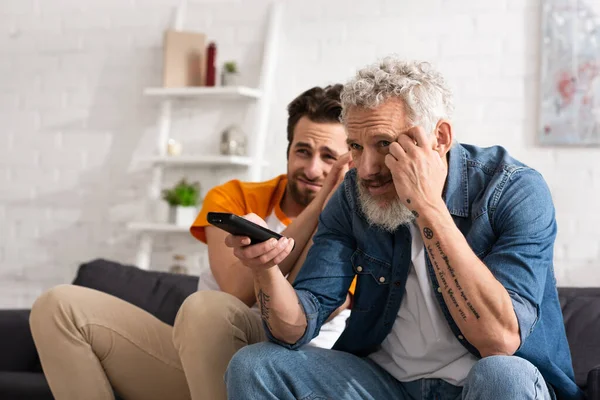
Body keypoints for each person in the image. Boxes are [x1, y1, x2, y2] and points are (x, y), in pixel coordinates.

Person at [224, 58, 584, 400]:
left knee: (503, 374)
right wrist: (265, 269)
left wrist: (428, 206)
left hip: (485, 386)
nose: (365, 168)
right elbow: (296, 326)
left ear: (439, 138)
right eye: (355, 146)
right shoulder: (352, 196)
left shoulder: (513, 190)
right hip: (385, 384)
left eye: (384, 144)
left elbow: (499, 339)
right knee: (255, 365)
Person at [29, 84, 353, 400]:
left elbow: (296, 321)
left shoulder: (351, 226)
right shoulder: (235, 196)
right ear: (287, 150)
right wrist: (321, 200)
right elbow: (235, 292)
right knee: (57, 306)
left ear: (348, 163)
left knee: (205, 309)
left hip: (280, 373)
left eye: (328, 158)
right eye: (303, 151)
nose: (312, 168)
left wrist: (330, 209)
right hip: (199, 361)